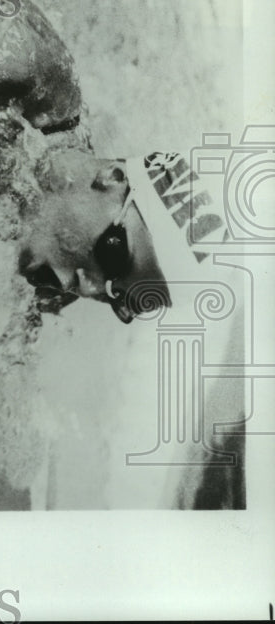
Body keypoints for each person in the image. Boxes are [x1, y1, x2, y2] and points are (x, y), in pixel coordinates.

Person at [17, 147, 245, 509]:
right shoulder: (23, 115)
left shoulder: (20, 309)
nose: (88, 288)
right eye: (112, 254)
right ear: (112, 178)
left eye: (120, 301)